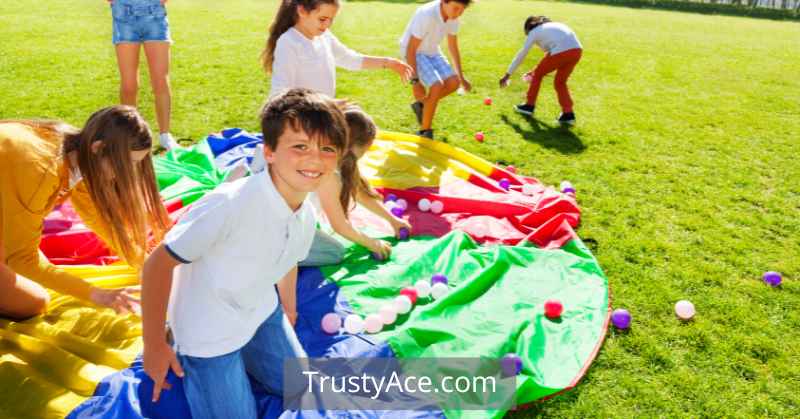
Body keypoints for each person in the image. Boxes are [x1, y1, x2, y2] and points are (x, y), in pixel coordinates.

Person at [140, 89, 349, 418]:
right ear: (268, 152)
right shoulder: (229, 204)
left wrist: (288, 310)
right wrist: (153, 345)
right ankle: (181, 344)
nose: (314, 159)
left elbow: (287, 259)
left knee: (303, 386)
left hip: (262, 312)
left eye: (327, 149)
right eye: (300, 146)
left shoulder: (306, 209)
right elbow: (157, 264)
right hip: (208, 331)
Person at [0, 106, 171, 319]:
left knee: (37, 278)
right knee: (35, 302)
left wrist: (145, 264)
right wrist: (100, 295)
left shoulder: (76, 150)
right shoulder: (41, 170)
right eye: (128, 165)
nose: (127, 175)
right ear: (99, 148)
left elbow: (97, 217)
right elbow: (22, 259)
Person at [263, 0, 413, 99]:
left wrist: (388, 62)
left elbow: (349, 59)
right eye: (322, 19)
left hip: (321, 114)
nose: (327, 25)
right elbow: (281, 92)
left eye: (331, 20)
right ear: (302, 11)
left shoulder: (324, 36)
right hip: (299, 119)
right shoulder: (289, 42)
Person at [108, 0, 179, 149]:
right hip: (123, 15)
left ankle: (165, 135)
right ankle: (130, 134)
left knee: (160, 80)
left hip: (155, 15)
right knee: (129, 84)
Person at [401, 0, 473, 139]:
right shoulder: (427, 14)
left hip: (432, 51)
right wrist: (415, 82)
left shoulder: (453, 17)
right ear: (444, 1)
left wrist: (461, 77)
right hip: (414, 52)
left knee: (454, 83)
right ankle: (424, 132)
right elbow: (411, 49)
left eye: (462, 10)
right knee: (436, 85)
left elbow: (453, 47)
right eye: (456, 8)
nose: (458, 13)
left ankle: (422, 105)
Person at [499, 15, 583, 126]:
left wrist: (507, 75)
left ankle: (529, 106)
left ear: (529, 28)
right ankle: (568, 114)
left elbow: (522, 54)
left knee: (538, 75)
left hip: (562, 51)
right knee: (560, 82)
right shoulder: (553, 26)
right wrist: (534, 71)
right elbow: (552, 53)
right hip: (577, 51)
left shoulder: (534, 32)